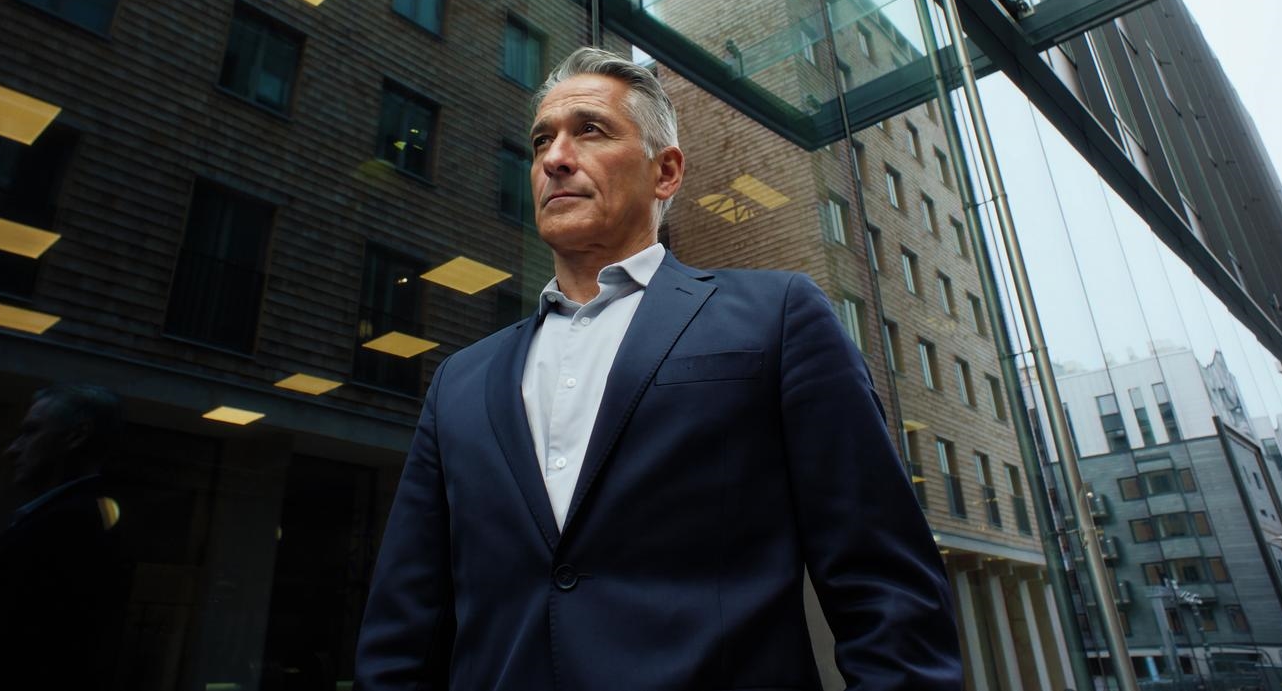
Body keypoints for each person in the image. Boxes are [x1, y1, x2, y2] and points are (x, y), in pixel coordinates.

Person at [355, 48, 961, 690]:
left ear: (665, 172)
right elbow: (403, 629)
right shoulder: (461, 381)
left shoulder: (776, 317)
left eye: (590, 130)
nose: (555, 158)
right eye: (541, 141)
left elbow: (887, 588)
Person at [0, 383, 124, 689]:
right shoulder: (63, 523)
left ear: (75, 436)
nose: (13, 449)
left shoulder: (68, 531)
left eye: (31, 431)